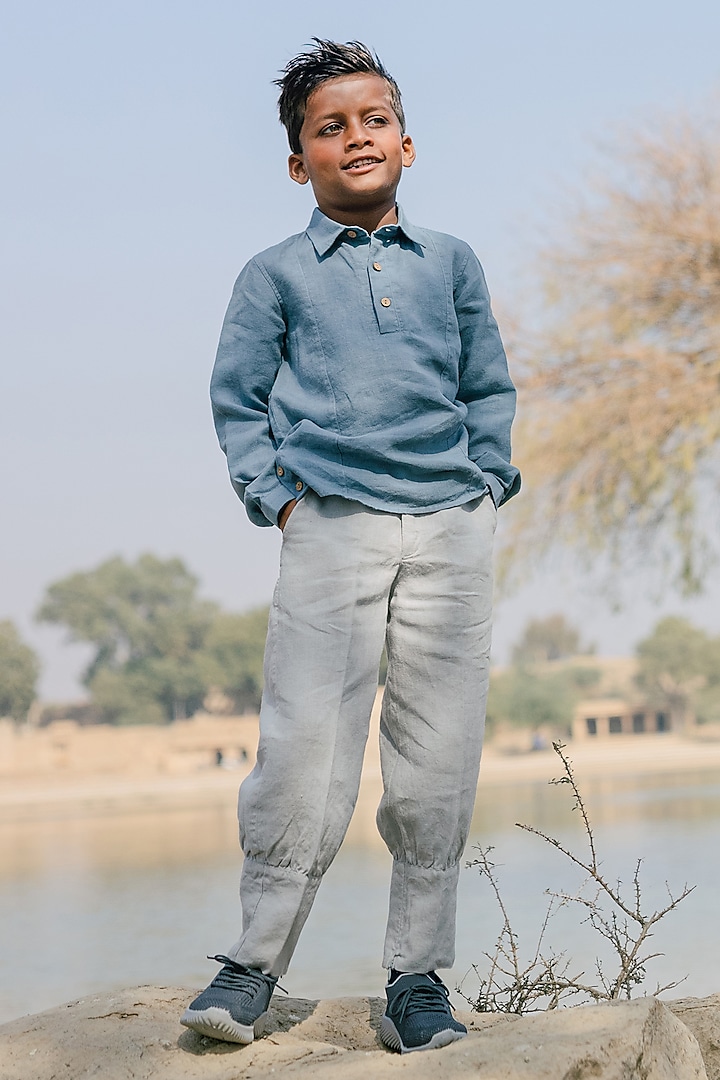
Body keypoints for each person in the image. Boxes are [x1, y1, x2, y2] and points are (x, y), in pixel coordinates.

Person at [181, 38, 520, 1055]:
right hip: (329, 528)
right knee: (303, 754)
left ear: (407, 145)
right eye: (330, 128)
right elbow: (237, 400)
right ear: (301, 165)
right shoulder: (274, 274)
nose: (354, 137)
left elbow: (487, 384)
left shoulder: (453, 262)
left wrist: (489, 484)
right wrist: (278, 501)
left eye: (373, 121)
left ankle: (416, 980)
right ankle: (251, 967)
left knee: (437, 763)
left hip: (449, 534)